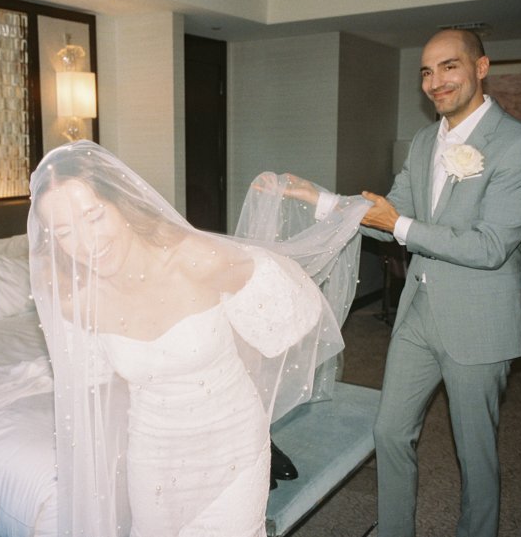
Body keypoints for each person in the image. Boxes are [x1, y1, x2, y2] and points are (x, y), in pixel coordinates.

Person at [27, 141, 369, 537]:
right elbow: (95, 383)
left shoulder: (197, 258)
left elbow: (287, 318)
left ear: (121, 204)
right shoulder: (75, 298)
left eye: (94, 216)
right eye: (65, 231)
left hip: (233, 447)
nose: (86, 242)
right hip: (153, 457)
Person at [357, 29, 521, 536]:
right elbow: (395, 211)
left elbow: (488, 247)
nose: (435, 81)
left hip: (480, 320)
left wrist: (396, 225)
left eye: (449, 67)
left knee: (475, 451)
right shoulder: (424, 141)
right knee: (389, 430)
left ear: (481, 68)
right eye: (426, 70)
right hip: (419, 310)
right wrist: (318, 204)